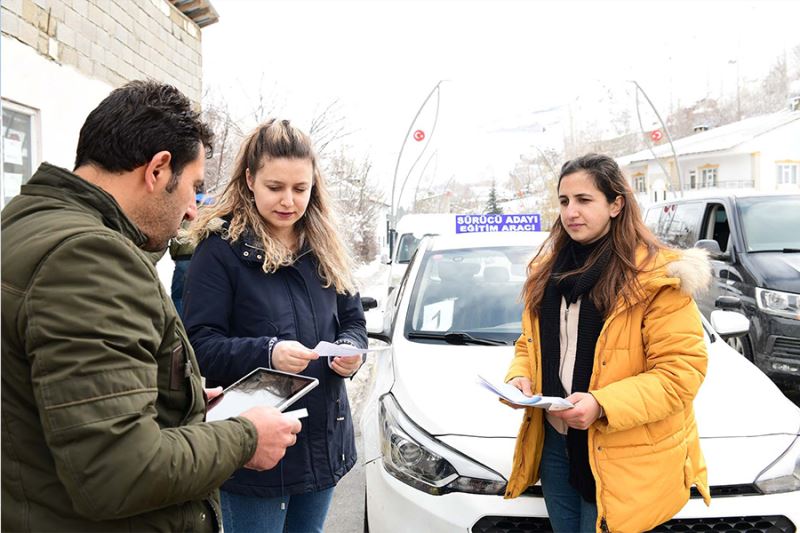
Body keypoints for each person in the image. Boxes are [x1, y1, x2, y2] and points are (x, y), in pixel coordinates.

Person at [1, 80, 301, 532]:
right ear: (158, 169)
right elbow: (116, 470)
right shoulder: (90, 259)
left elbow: (64, 401)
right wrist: (245, 437)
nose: (191, 212)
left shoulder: (24, 222)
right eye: (193, 187)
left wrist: (183, 400)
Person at [502, 154, 711, 533]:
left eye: (584, 200)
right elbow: (530, 343)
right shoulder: (548, 273)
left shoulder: (656, 278)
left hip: (621, 451)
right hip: (555, 443)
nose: (571, 212)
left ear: (616, 204)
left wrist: (602, 404)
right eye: (564, 201)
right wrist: (521, 376)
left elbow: (681, 374)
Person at [182, 118, 367, 533]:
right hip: (254, 447)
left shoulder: (326, 245)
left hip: (322, 437)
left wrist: (351, 351)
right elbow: (198, 345)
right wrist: (268, 352)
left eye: (300, 189)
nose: (289, 201)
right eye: (275, 187)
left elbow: (353, 320)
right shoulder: (220, 250)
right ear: (249, 179)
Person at [169, 193, 213, 317]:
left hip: (183, 259)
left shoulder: (185, 213)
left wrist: (174, 255)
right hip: (202, 258)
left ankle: (180, 326)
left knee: (178, 295)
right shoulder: (210, 214)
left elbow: (176, 237)